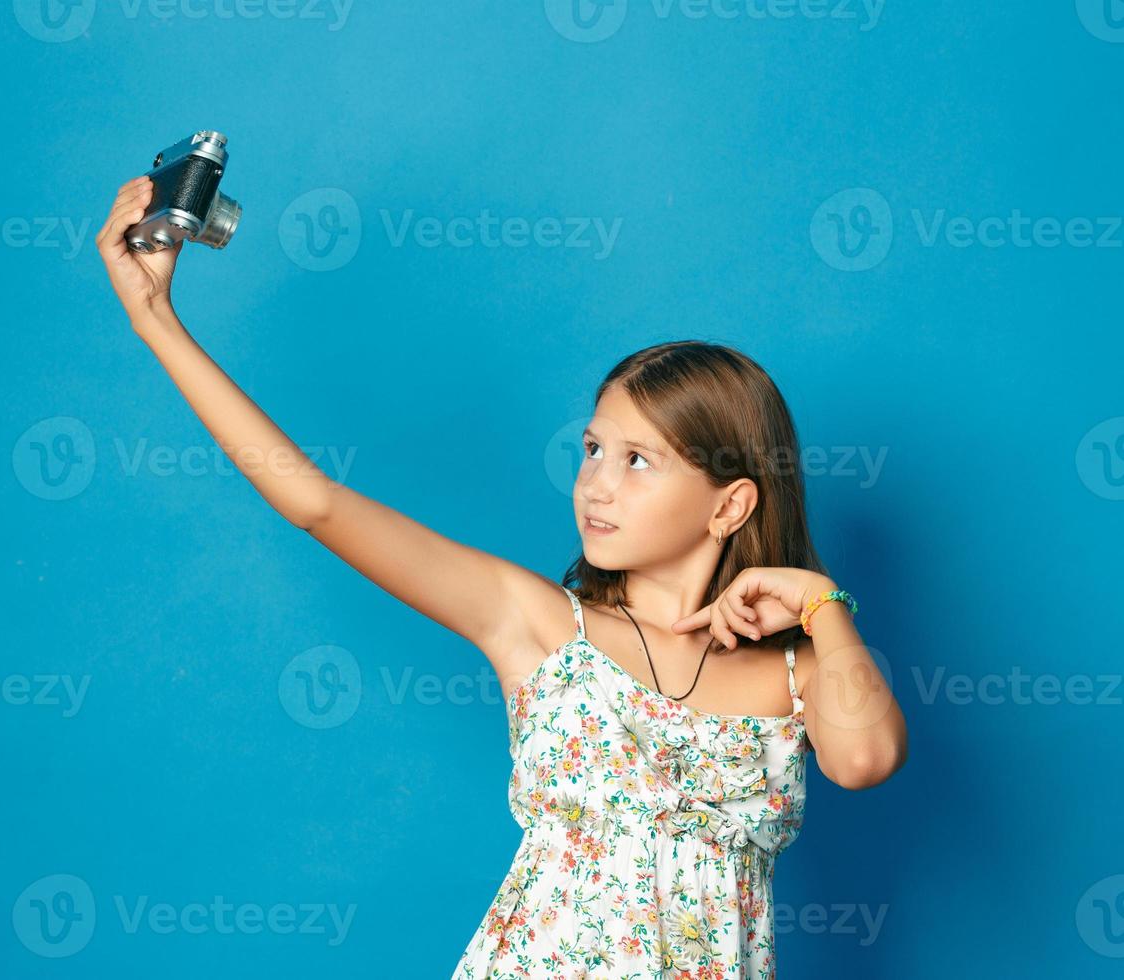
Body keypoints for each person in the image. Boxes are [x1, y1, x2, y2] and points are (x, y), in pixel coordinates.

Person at [95, 176, 908, 978]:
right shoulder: (540, 622)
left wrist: (817, 600)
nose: (597, 482)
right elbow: (316, 504)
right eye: (592, 449)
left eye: (638, 461)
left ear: (730, 505)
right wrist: (154, 318)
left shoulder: (795, 675)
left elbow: (866, 760)